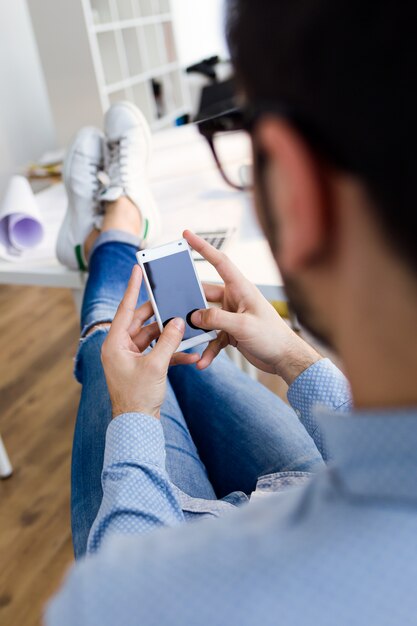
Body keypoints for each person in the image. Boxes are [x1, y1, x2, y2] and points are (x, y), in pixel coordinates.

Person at [47, 0, 417, 624]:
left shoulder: (120, 600)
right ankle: (109, 231)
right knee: (185, 352)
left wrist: (135, 417)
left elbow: (133, 593)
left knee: (113, 353)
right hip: (318, 477)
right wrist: (297, 360)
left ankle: (113, 230)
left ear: (299, 194)